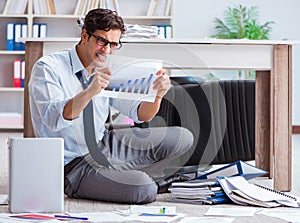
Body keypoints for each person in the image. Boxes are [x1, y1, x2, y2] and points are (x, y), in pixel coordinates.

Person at [28, 8, 194, 204]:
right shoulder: (47, 68)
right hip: (73, 166)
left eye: (114, 44)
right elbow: (53, 119)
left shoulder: (109, 68)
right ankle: (135, 180)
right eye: (102, 41)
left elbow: (142, 115)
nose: (106, 50)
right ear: (84, 35)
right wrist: (90, 91)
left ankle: (118, 177)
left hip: (103, 145)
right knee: (143, 189)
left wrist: (157, 96)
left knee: (182, 138)